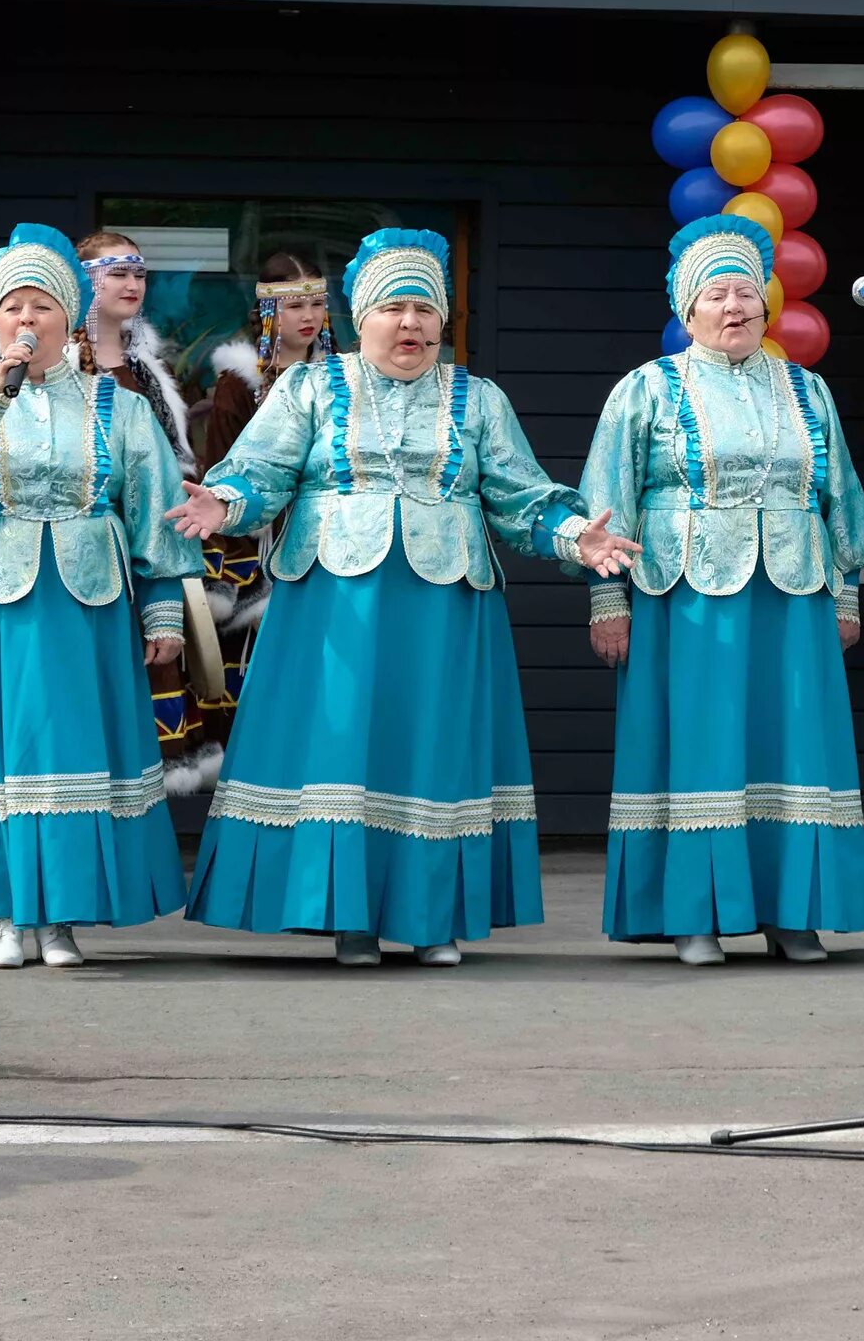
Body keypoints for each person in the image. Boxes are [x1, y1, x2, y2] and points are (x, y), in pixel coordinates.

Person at [169, 228, 636, 966]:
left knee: (432, 745)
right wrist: (224, 503)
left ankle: (429, 918)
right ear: (361, 316)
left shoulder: (478, 400)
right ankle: (350, 917)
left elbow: (523, 496)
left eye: (425, 307)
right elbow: (258, 469)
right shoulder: (310, 388)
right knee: (343, 743)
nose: (410, 323)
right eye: (393, 307)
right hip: (334, 605)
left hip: (445, 605)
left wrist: (575, 535)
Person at [0, 223, 202, 969]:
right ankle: (4, 910)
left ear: (70, 317)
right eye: (12, 309)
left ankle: (59, 915)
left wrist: (164, 611)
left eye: (41, 307)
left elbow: (155, 509)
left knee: (72, 747)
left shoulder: (117, 407)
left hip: (86, 597)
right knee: (4, 747)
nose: (26, 321)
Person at [581, 214, 864, 965]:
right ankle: (696, 915)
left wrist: (845, 594)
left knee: (794, 742)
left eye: (747, 292)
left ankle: (793, 913)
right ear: (688, 311)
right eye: (716, 294)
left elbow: (837, 499)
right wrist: (607, 600)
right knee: (702, 743)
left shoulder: (807, 390)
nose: (734, 306)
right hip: (686, 600)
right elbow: (605, 502)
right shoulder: (645, 389)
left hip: (793, 595)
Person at [176, 249, 336, 793]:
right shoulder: (238, 385)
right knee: (263, 677)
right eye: (294, 306)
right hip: (262, 550)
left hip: (338, 545)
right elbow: (218, 476)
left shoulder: (346, 379)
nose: (308, 316)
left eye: (316, 302)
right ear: (269, 312)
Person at [77, 231, 211, 793]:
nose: (133, 285)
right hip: (91, 552)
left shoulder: (149, 367)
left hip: (155, 543)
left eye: (140, 274)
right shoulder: (60, 369)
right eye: (118, 273)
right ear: (84, 280)